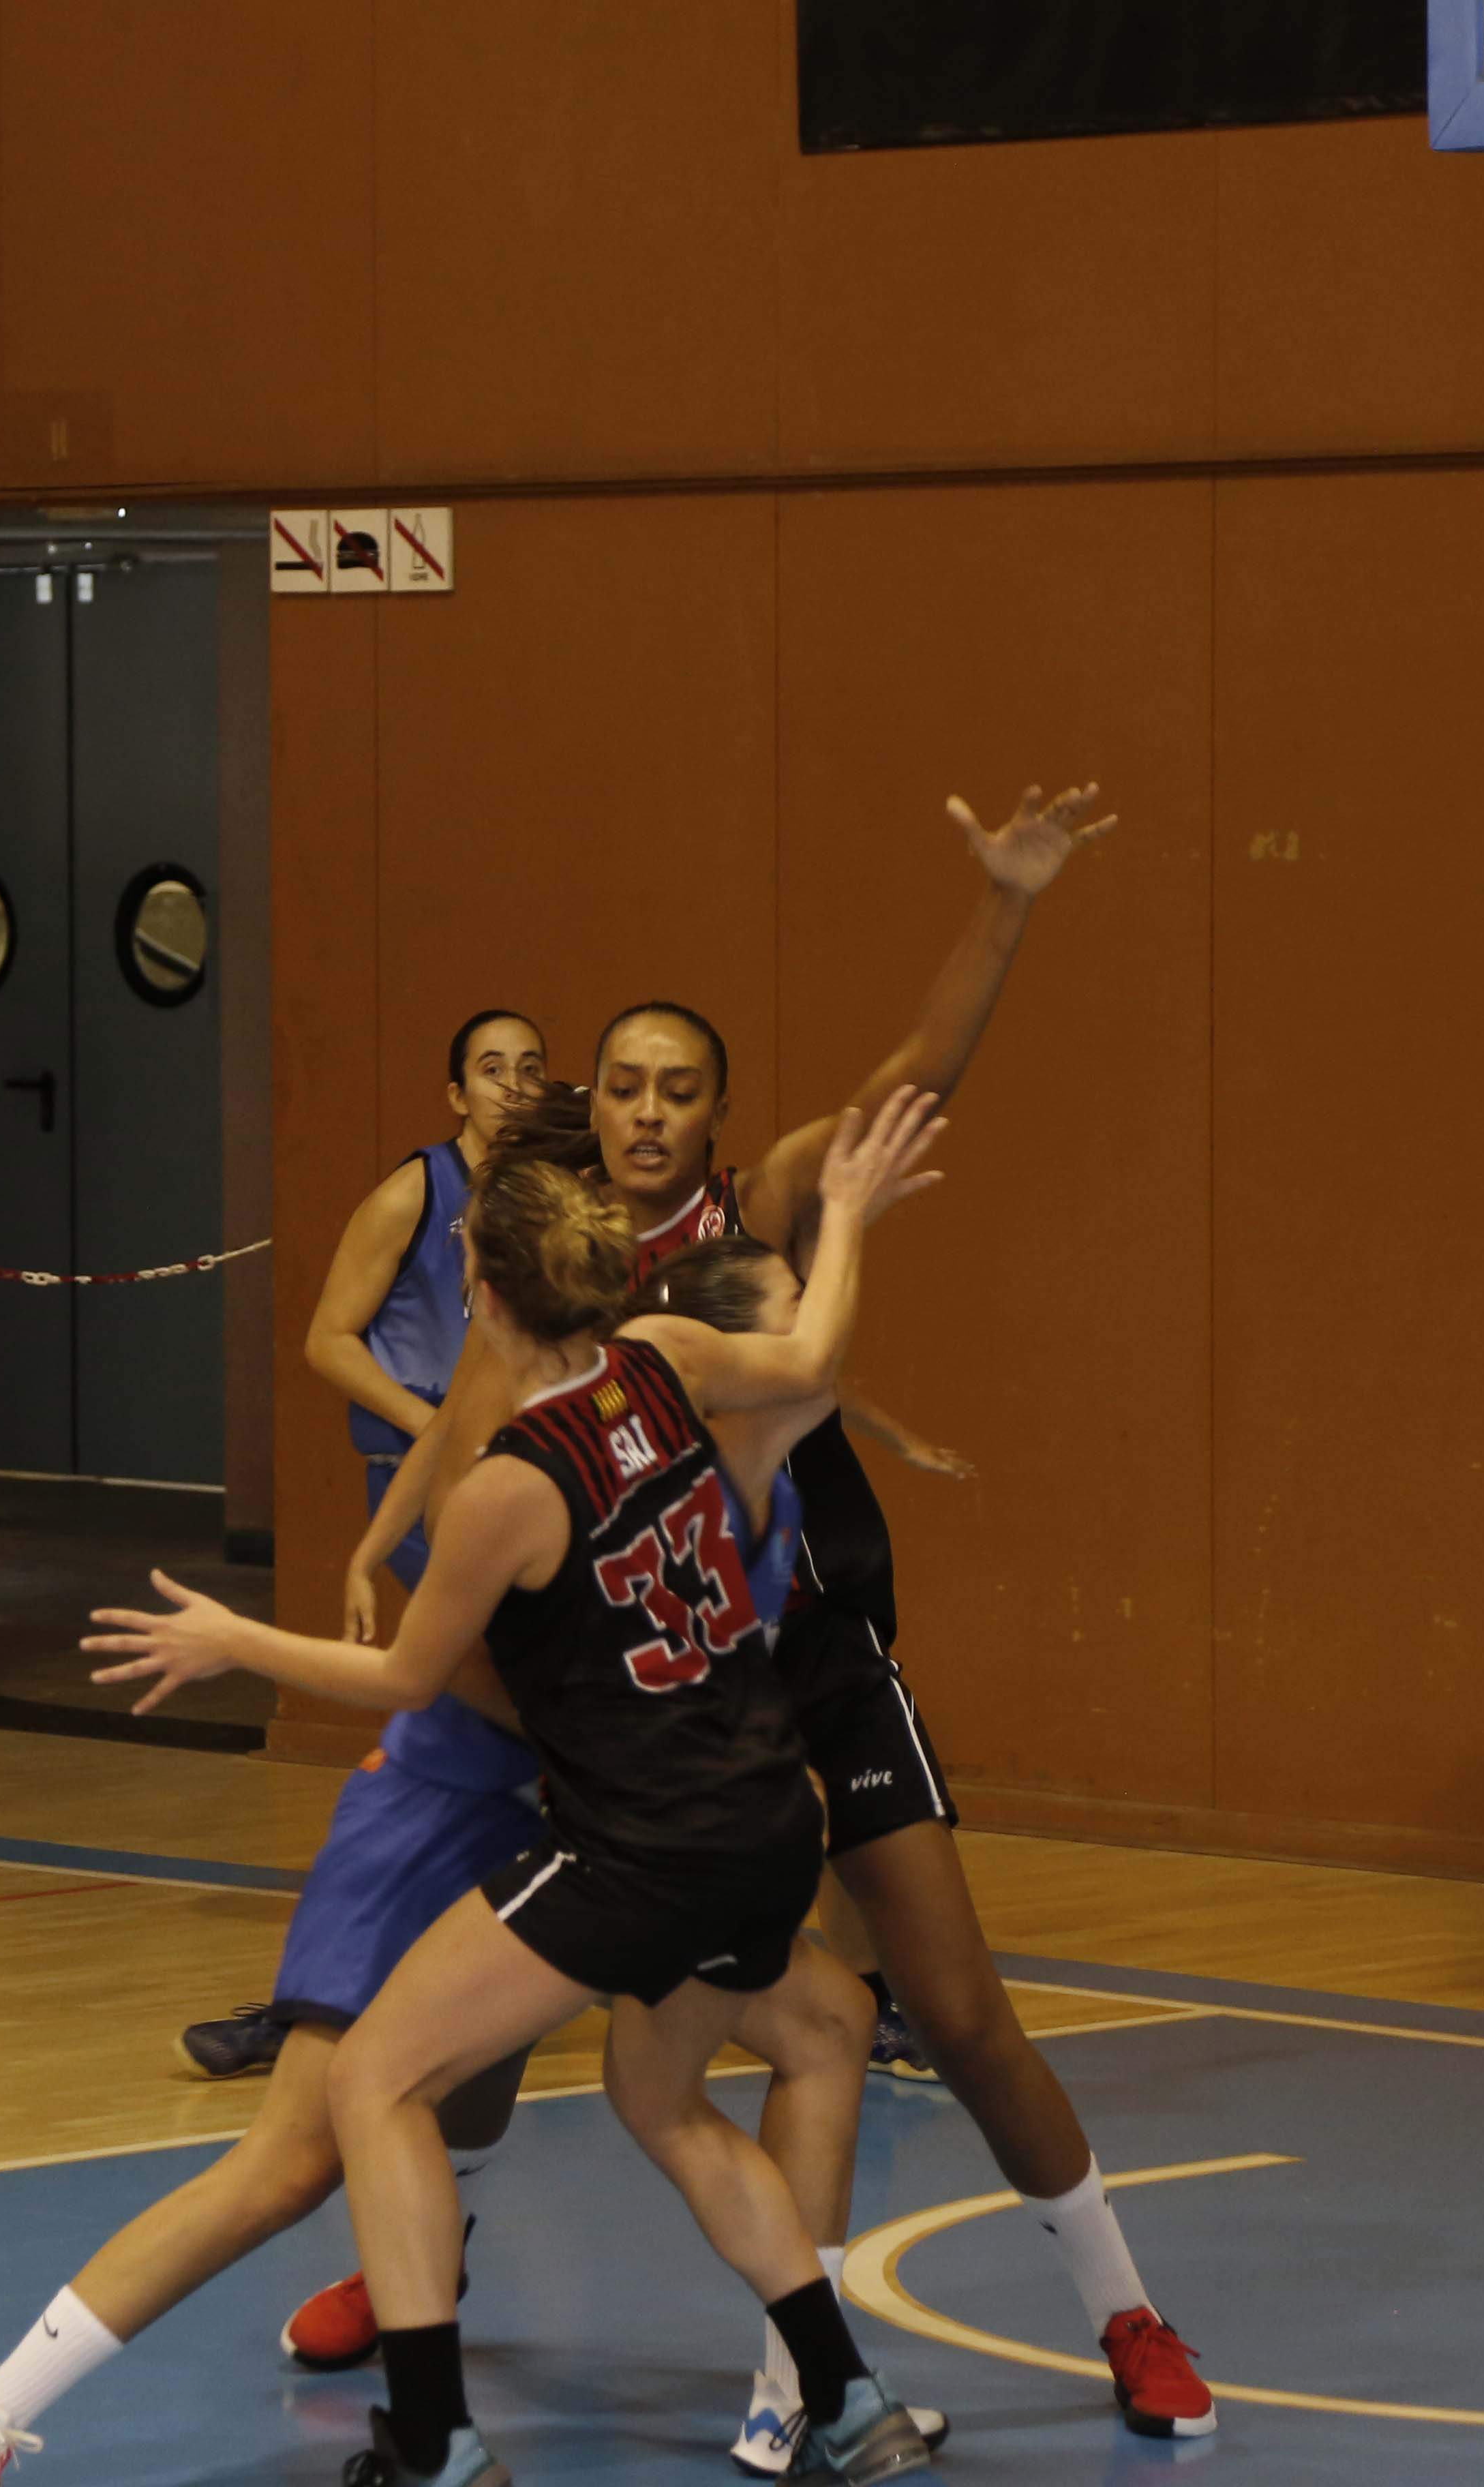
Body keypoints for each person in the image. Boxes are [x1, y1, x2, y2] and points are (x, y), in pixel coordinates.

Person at [344, 785, 1220, 2449]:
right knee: (480, 2026)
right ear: (584, 1105)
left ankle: (1128, 2311)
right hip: (642, 1712)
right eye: (624, 1085)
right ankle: (419, 2281)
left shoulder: (755, 1226)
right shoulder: (540, 1285)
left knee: (953, 2012)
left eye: (681, 1088)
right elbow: (454, 1485)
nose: (650, 1111)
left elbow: (913, 1083)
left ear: (717, 1111)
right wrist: (407, 1603)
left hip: (804, 1669)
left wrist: (1004, 904)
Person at [86, 1094, 950, 2487]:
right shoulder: (670, 1362)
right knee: (663, 2102)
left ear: (480, 1293)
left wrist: (232, 1639)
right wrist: (846, 1212)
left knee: (377, 2078)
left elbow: (410, 1678)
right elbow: (809, 1350)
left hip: (643, 1850)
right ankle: (845, 2403)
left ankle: (432, 2441)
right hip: (771, 1826)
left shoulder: (505, 1486)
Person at [181, 1008, 550, 2085]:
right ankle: (340, 1998)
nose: (513, 1086)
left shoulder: (550, 1215)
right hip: (429, 1489)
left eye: (531, 1068)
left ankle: (379, 1987)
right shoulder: (416, 1192)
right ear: (454, 1095)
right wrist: (430, 1421)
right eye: (490, 1069)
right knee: (453, 1724)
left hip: (506, 1487)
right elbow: (325, 1338)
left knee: (481, 1739)